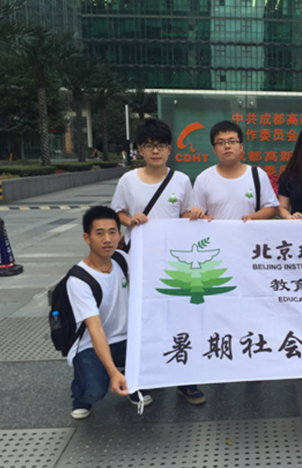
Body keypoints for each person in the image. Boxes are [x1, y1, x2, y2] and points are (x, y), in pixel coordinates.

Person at [110, 118, 205, 406]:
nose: (155, 151)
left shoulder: (181, 180)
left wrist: (195, 215)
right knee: (145, 320)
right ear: (140, 149)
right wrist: (130, 219)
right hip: (140, 263)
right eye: (149, 146)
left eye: (161, 145)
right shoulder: (128, 181)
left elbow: (185, 213)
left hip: (174, 262)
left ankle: (185, 380)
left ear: (169, 149)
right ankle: (142, 378)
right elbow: (116, 214)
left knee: (179, 318)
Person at [68, 206, 151, 419]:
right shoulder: (79, 280)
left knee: (162, 355)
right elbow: (95, 329)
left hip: (126, 339)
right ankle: (81, 392)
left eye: (112, 232)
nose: (107, 239)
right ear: (87, 238)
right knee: (94, 390)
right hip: (91, 344)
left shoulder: (122, 260)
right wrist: (113, 372)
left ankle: (132, 383)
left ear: (119, 235)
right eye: (100, 233)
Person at [190, 121, 279, 221]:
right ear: (214, 149)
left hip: (249, 231)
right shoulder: (203, 179)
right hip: (216, 231)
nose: (227, 146)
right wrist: (203, 217)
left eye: (232, 141)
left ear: (241, 146)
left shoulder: (257, 174)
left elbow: (271, 208)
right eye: (221, 143)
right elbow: (197, 211)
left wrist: (251, 218)